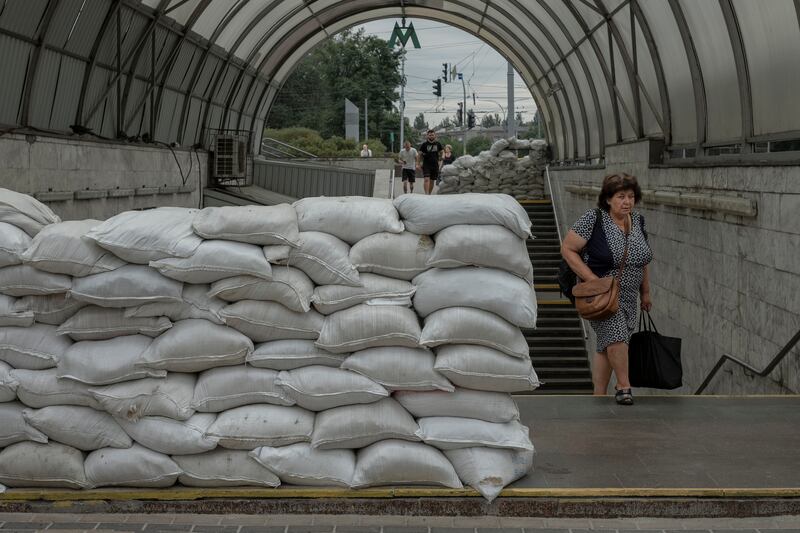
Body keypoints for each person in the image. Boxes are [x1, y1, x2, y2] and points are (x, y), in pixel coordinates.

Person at [561, 173, 653, 406]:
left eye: (631, 197)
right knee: (616, 336)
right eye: (621, 196)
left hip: (629, 295)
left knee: (607, 345)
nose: (627, 202)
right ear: (608, 199)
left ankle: (598, 394)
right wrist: (592, 280)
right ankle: (624, 386)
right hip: (601, 296)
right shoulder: (594, 219)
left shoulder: (638, 221)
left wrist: (646, 292)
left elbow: (642, 260)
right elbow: (568, 249)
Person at [417, 129, 443, 195]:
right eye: (430, 135)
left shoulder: (438, 144)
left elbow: (442, 152)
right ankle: (426, 194)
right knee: (426, 179)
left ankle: (429, 194)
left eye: (432, 135)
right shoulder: (424, 145)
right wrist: (418, 164)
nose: (431, 136)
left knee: (432, 181)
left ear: (435, 135)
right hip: (426, 164)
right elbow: (419, 154)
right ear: (427, 136)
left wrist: (440, 159)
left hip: (435, 165)